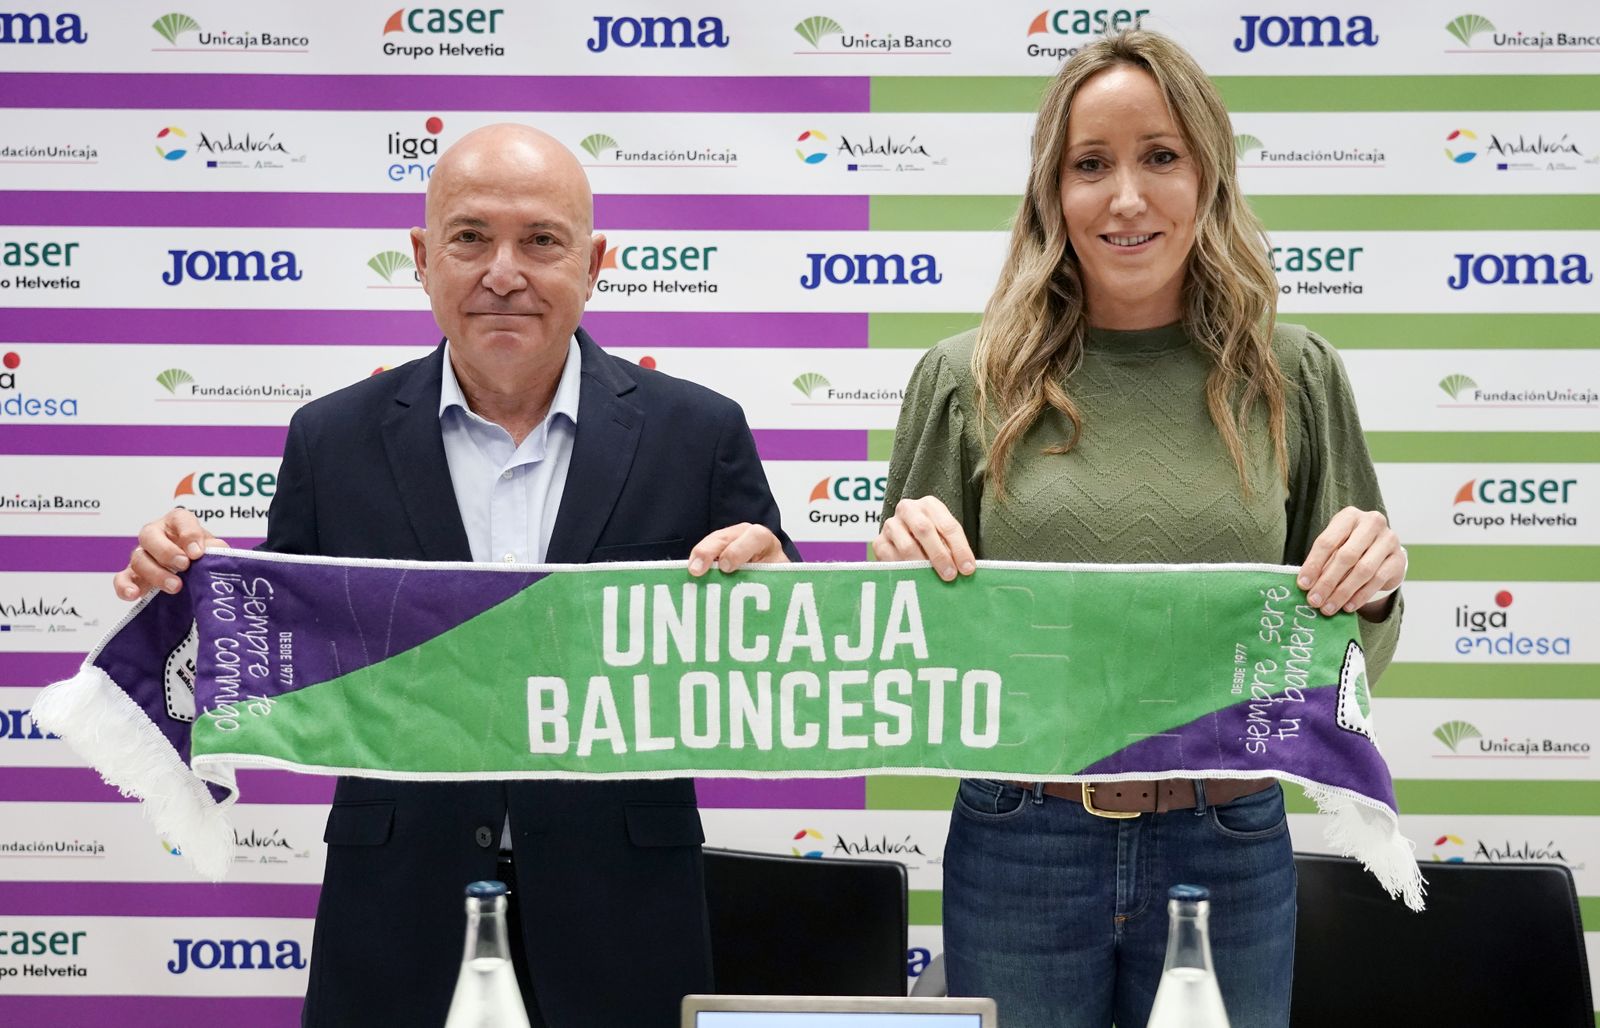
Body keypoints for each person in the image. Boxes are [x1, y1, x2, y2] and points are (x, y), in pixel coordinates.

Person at [113, 124, 796, 1027]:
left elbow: (781, 647)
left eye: (542, 241)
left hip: (625, 905)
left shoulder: (698, 433)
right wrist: (189, 579)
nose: (503, 271)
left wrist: (780, 584)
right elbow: (285, 652)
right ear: (421, 257)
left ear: (595, 262)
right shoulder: (331, 440)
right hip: (394, 901)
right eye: (471, 238)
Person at [872, 30, 1404, 1028]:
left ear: (1207, 174)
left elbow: (1352, 655)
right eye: (1089, 164)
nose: (1124, 196)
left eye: (1158, 156)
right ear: (1050, 193)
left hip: (1228, 831)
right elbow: (910, 650)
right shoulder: (963, 379)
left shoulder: (1295, 377)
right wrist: (896, 577)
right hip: (1019, 831)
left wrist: (1369, 589)